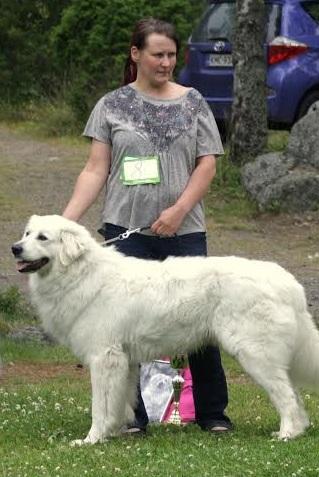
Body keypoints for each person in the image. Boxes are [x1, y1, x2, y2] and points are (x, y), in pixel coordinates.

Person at [62, 17, 233, 435]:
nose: (166, 62)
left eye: (172, 54)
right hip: (126, 231)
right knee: (124, 329)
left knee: (201, 322)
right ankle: (130, 417)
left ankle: (212, 413)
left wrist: (178, 211)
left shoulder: (193, 101)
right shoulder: (111, 105)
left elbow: (207, 164)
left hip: (184, 229)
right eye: (158, 54)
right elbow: (94, 169)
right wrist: (63, 223)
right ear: (136, 54)